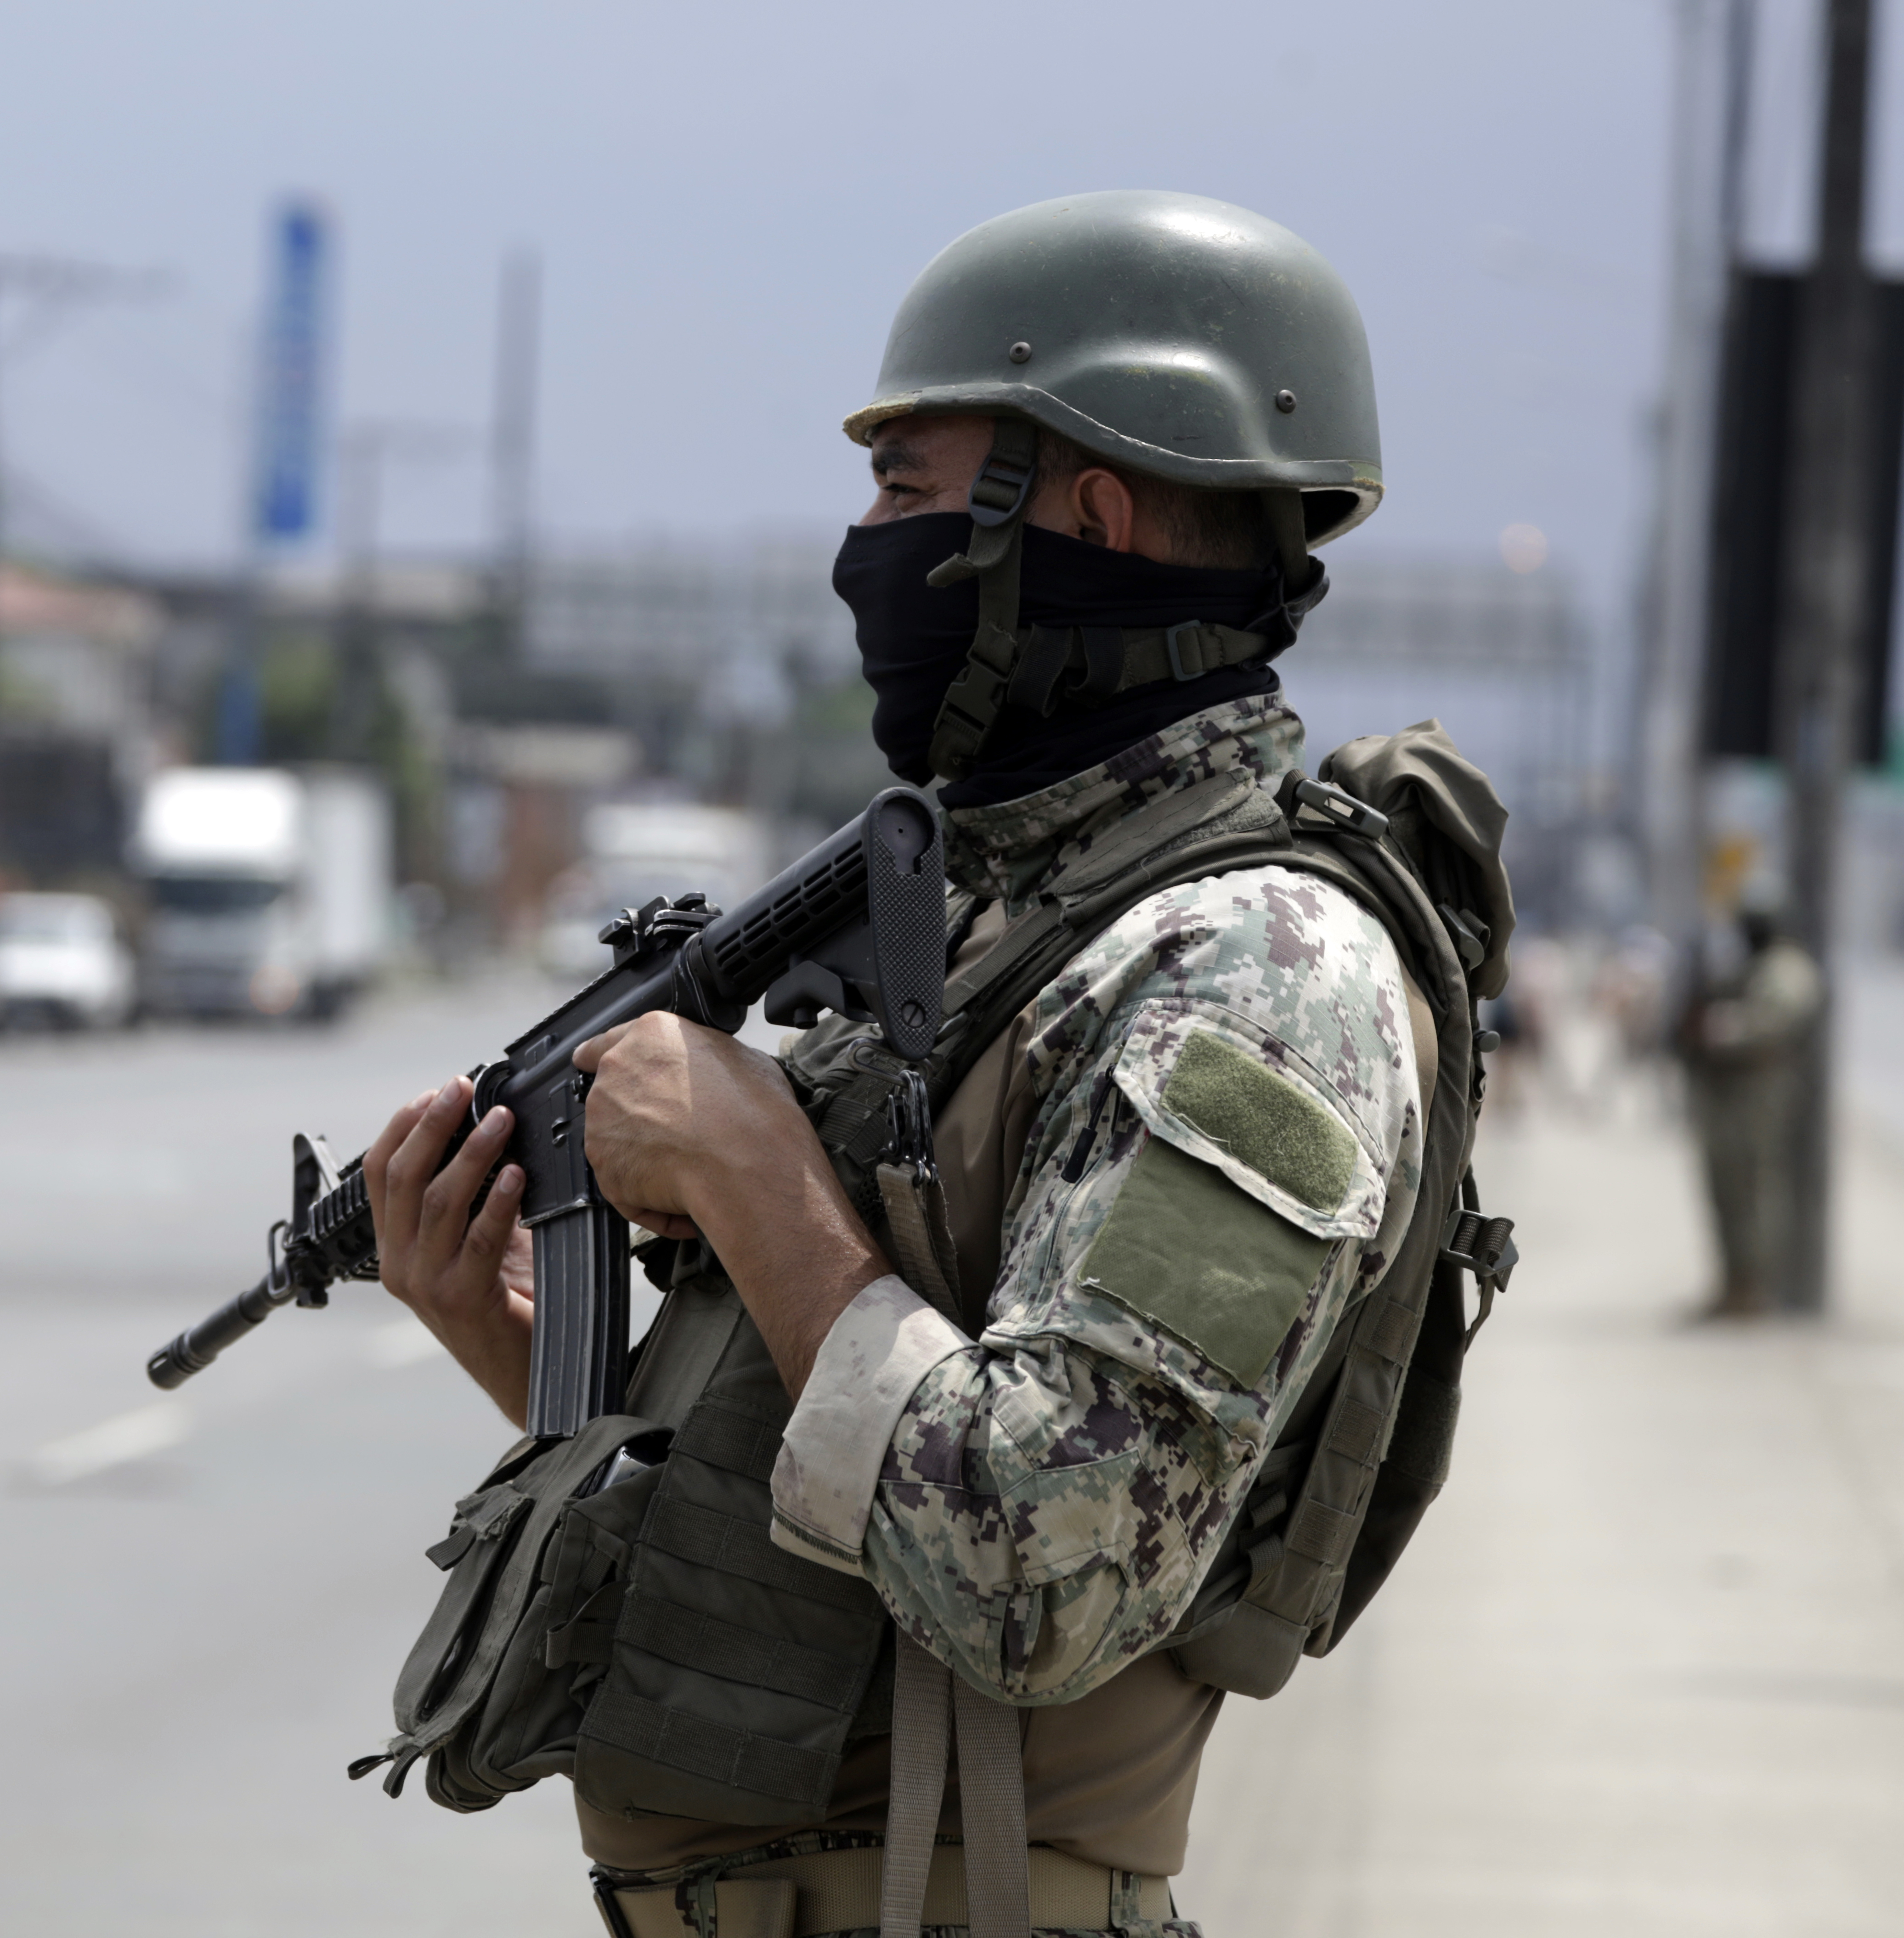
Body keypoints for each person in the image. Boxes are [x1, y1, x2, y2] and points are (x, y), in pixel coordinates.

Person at [365, 193, 1466, 1938]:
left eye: (904, 487)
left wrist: (743, 1165)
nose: (857, 547)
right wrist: (520, 1346)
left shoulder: (1252, 967)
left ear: (1082, 510)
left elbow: (1039, 1564)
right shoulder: (1011, 923)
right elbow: (846, 1533)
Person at [1680, 896, 1822, 1318]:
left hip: (1761, 1094)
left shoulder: (1788, 967)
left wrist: (1721, 1029)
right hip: (1731, 1095)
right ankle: (1734, 1287)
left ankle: (1756, 1291)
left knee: (1757, 1194)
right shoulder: (1756, 965)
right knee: (1727, 1192)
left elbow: (1772, 1022)